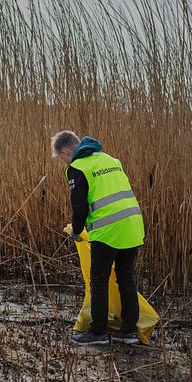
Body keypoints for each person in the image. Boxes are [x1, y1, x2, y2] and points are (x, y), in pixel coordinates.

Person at [51, 131, 144, 345]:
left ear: (66, 152)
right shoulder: (111, 160)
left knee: (99, 281)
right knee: (126, 278)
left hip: (107, 230)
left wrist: (76, 230)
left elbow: (80, 207)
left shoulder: (77, 168)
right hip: (132, 226)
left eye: (62, 158)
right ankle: (129, 332)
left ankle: (98, 333)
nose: (64, 163)